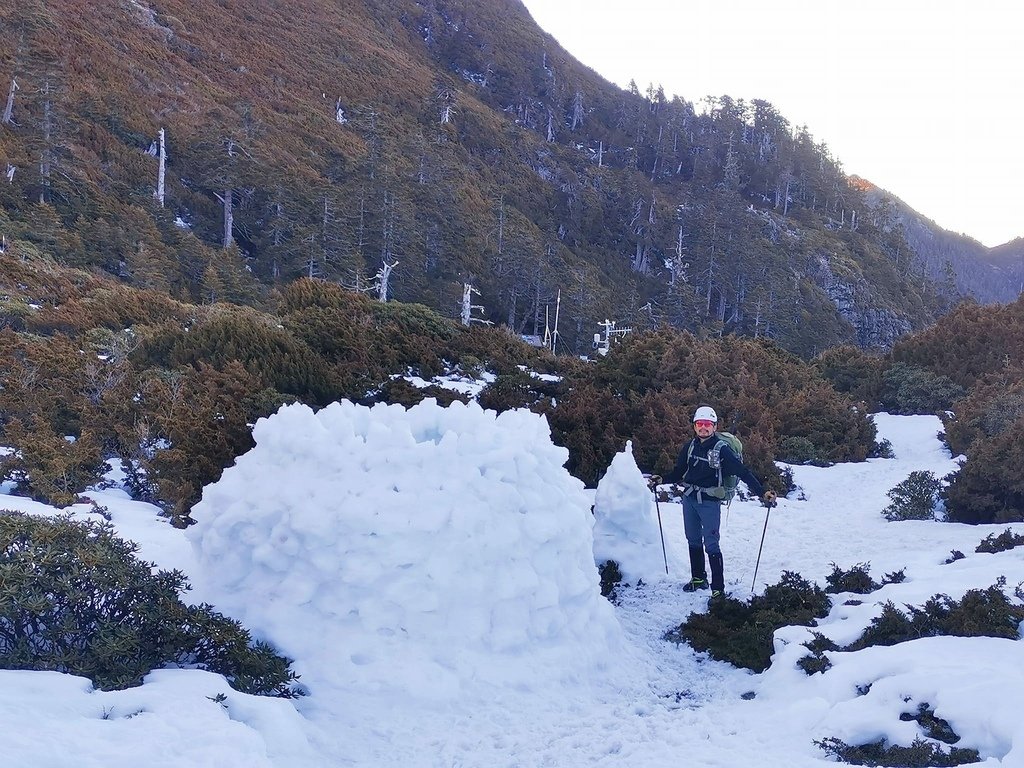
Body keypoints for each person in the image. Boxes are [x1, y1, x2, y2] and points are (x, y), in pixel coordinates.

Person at [649, 405, 776, 598]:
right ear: (694, 426)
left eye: (708, 424)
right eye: (700, 424)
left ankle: (718, 590)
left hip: (709, 503)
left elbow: (742, 471)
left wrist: (761, 492)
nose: (703, 428)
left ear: (715, 426)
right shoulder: (690, 446)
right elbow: (678, 472)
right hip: (689, 499)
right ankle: (699, 579)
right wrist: (662, 479)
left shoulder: (722, 449)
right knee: (692, 539)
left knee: (711, 544)